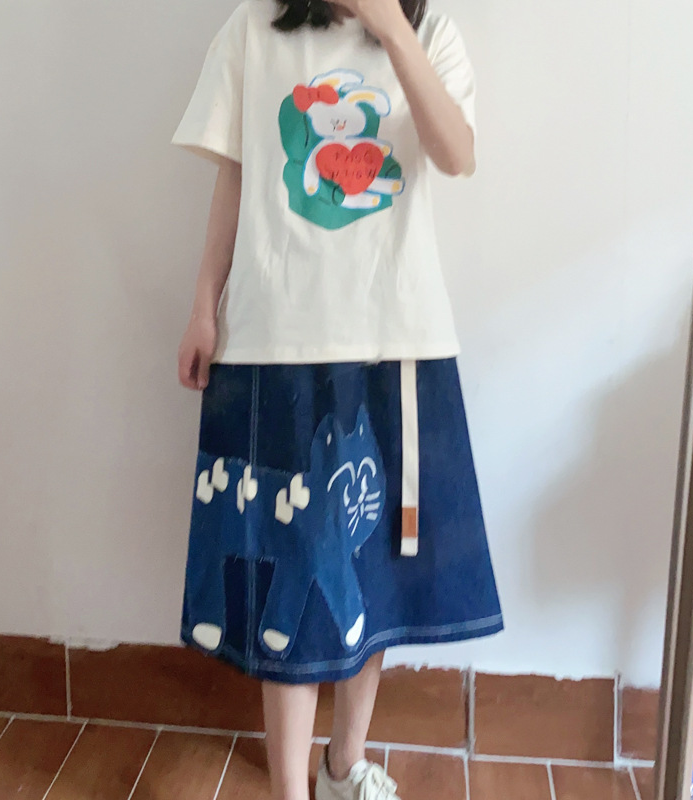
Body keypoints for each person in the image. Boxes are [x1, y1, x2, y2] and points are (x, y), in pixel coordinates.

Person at [173, 1, 503, 799]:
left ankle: (343, 766)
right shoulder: (253, 29)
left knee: (376, 570)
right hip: (274, 339)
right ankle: (291, 791)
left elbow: (456, 154)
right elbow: (236, 176)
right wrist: (204, 304)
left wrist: (392, 30)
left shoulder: (429, 33)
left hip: (396, 340)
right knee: (286, 573)